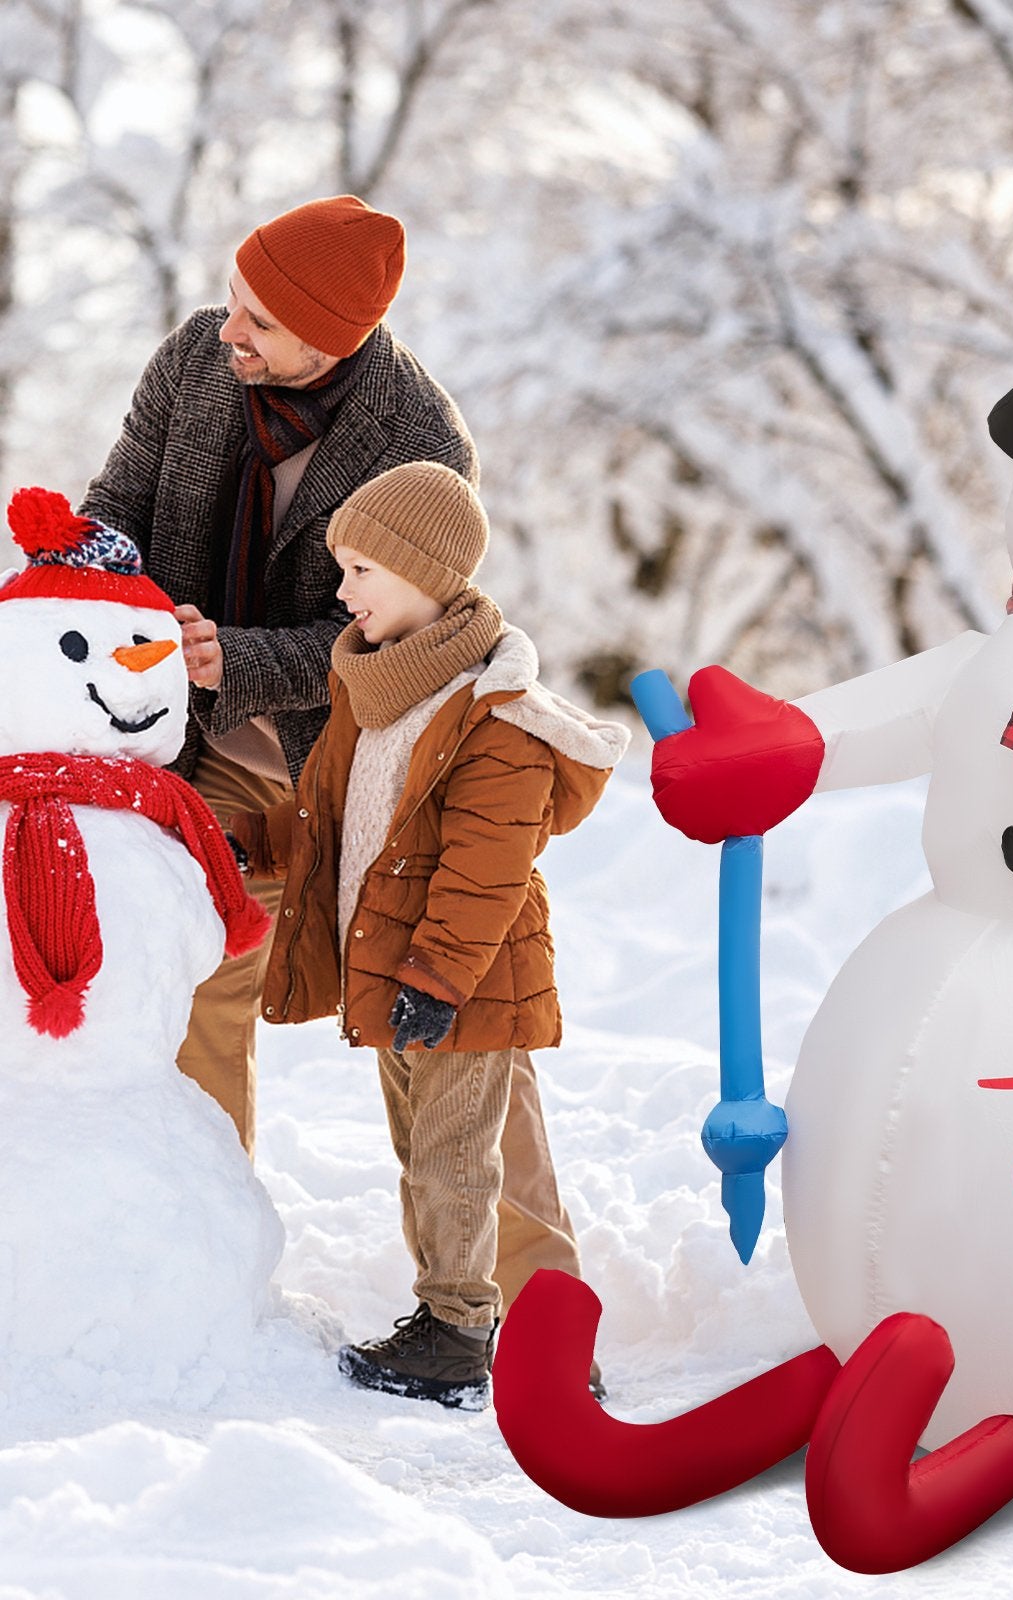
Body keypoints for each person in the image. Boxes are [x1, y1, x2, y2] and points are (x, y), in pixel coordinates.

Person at [79, 194, 476, 1157]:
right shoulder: (195, 359)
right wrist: (80, 564)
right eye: (233, 298)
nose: (233, 331)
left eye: (262, 320)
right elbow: (121, 500)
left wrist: (241, 658)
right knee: (192, 976)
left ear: (337, 338)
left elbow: (391, 641)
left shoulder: (419, 445)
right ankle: (201, 1233)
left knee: (442, 1011)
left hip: (351, 754)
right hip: (201, 740)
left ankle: (514, 1272)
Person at [231, 461, 628, 1406]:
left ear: (423, 572)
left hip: (461, 984)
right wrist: (245, 838)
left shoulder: (497, 716)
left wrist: (439, 978)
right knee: (423, 1152)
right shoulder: (379, 697)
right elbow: (333, 820)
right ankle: (446, 1311)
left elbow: (483, 869)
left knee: (455, 1157)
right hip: (396, 972)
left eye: (362, 569)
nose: (341, 590)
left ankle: (457, 1332)